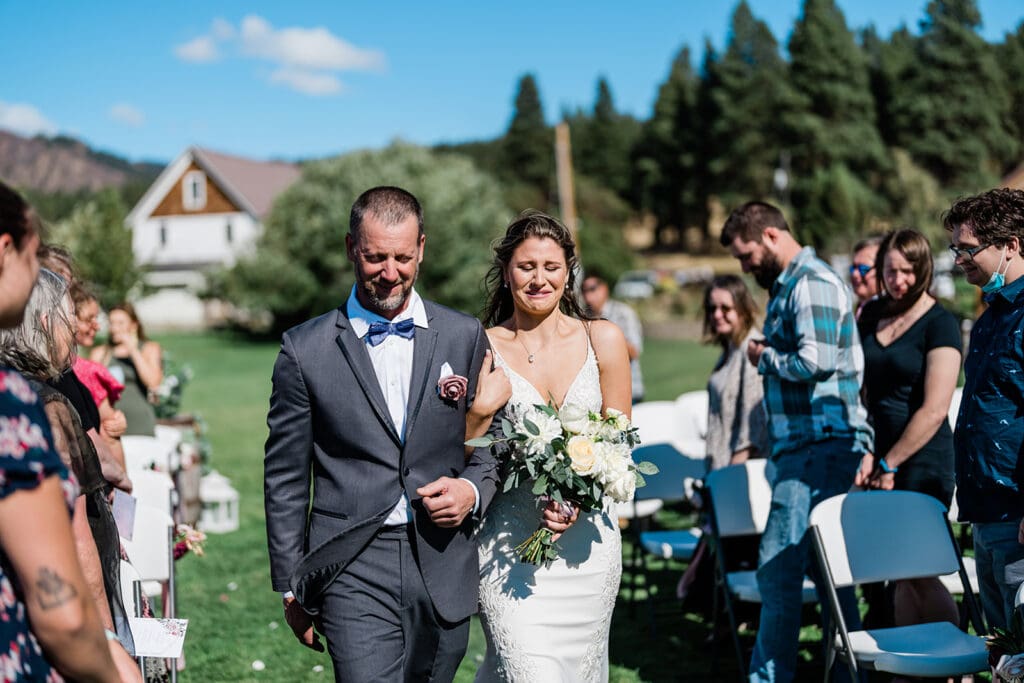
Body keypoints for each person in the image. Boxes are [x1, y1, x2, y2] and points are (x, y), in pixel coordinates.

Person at [264, 186, 500, 681]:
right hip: (350, 563)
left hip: (441, 558)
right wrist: (291, 585)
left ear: (421, 250)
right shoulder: (303, 350)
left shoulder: (464, 335)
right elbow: (285, 475)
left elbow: (490, 443)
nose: (389, 272)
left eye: (401, 257)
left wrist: (471, 490)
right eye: (374, 257)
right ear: (351, 248)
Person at [467, 210, 633, 682]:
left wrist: (579, 496)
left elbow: (619, 445)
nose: (539, 279)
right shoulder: (481, 346)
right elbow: (459, 450)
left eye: (551, 267)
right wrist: (478, 414)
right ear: (506, 272)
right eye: (526, 267)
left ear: (568, 272)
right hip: (509, 547)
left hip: (590, 553)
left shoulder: (603, 338)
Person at [721, 201, 873, 683]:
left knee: (778, 573)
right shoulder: (790, 286)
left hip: (819, 447)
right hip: (804, 449)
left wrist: (763, 356)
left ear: (769, 236)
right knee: (829, 574)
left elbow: (817, 362)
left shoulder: (812, 284)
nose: (745, 268)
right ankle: (849, 674)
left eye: (746, 255)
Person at [0, 180, 126, 681]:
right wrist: (111, 661)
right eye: (34, 261)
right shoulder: (16, 402)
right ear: (5, 251)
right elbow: (62, 604)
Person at [856, 228, 961, 634]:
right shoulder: (870, 314)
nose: (897, 281)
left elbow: (934, 409)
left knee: (919, 567)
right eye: (889, 271)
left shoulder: (941, 323)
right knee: (897, 567)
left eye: (906, 272)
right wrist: (869, 451)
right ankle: (910, 664)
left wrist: (889, 463)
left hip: (923, 459)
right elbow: (859, 390)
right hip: (878, 454)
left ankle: (955, 664)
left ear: (924, 270)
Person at [945, 188, 1024, 632]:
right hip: (986, 510)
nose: (959, 259)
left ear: (1011, 245)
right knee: (1003, 651)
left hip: (1017, 514)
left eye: (968, 248)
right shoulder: (991, 316)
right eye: (955, 249)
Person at [703, 274, 767, 472]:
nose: (717, 314)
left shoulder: (752, 350)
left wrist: (729, 479)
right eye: (712, 308)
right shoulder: (731, 349)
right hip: (720, 467)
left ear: (743, 309)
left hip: (738, 473)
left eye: (725, 308)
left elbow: (752, 432)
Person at [91, 303, 162, 436]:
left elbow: (153, 382)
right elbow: (91, 388)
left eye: (120, 323)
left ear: (134, 325)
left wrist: (132, 349)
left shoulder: (149, 348)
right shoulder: (100, 353)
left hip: (140, 426)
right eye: (111, 323)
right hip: (109, 427)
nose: (115, 328)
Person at [582, 272, 645, 402]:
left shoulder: (624, 313)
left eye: (592, 289)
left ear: (604, 288)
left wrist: (607, 333)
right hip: (597, 393)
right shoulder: (584, 316)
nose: (588, 296)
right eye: (584, 291)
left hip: (628, 390)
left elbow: (634, 351)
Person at [849, 236, 882, 320]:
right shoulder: (859, 308)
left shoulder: (889, 314)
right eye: (853, 268)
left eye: (863, 269)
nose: (855, 274)